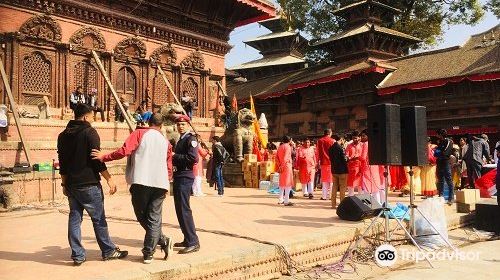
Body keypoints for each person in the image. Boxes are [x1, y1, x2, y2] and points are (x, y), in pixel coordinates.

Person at [91, 113, 172, 264]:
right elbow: (168, 166)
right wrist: (167, 183)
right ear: (161, 125)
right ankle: (161, 241)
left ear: (148, 122)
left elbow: (124, 151)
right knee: (153, 219)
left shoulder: (140, 133)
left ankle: (149, 251)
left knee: (142, 216)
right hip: (160, 184)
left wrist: (104, 157)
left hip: (141, 181)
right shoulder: (165, 141)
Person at [57, 103, 127, 266]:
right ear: (86, 117)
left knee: (75, 218)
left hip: (72, 184)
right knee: (98, 219)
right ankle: (108, 251)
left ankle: (78, 255)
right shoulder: (90, 132)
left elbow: (62, 162)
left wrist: (64, 184)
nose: (93, 120)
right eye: (92, 117)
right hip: (89, 184)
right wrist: (109, 178)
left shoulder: (62, 135)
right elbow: (96, 160)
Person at [172, 114, 200, 254]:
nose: (180, 126)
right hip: (179, 176)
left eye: (183, 124)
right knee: (179, 209)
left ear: (188, 125)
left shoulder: (191, 139)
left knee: (184, 209)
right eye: (178, 124)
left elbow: (193, 158)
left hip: (185, 176)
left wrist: (174, 156)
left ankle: (193, 242)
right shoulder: (181, 139)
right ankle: (187, 238)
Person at [359, 130, 385, 204]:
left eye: (364, 135)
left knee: (366, 188)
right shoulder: (376, 143)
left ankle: (367, 205)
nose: (362, 137)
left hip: (367, 168)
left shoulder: (366, 144)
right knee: (375, 188)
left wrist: (358, 157)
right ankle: (378, 204)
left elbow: (363, 157)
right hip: (375, 167)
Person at [435, 129, 455, 204]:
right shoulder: (440, 142)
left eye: (437, 134)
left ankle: (451, 198)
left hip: (445, 162)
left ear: (440, 134)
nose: (436, 136)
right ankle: (441, 195)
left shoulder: (448, 141)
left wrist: (439, 152)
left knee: (449, 180)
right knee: (440, 180)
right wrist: (439, 152)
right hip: (439, 162)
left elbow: (445, 152)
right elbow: (436, 153)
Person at [329, 134, 348, 208]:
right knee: (342, 188)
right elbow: (344, 160)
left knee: (334, 187)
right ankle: (342, 205)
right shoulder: (341, 148)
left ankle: (333, 204)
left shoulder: (330, 148)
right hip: (342, 170)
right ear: (341, 139)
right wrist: (348, 159)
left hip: (334, 170)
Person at [316, 129, 335, 200]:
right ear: (330, 133)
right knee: (331, 180)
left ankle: (324, 196)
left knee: (324, 180)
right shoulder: (333, 141)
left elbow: (317, 153)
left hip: (323, 162)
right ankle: (331, 196)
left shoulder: (319, 141)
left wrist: (317, 162)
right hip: (332, 162)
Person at [276, 135, 294, 206]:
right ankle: (286, 200)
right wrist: (282, 166)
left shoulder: (280, 147)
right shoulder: (288, 147)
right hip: (286, 166)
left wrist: (279, 166)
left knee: (282, 183)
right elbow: (286, 157)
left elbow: (276, 158)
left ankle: (280, 199)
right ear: (289, 140)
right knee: (287, 183)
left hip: (281, 166)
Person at [345, 131, 362, 196]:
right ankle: (351, 197)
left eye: (356, 138)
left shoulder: (362, 145)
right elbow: (346, 155)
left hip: (360, 167)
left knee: (360, 184)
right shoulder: (349, 146)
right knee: (350, 183)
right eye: (353, 138)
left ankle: (361, 200)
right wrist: (349, 158)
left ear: (359, 138)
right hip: (351, 167)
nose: (355, 139)